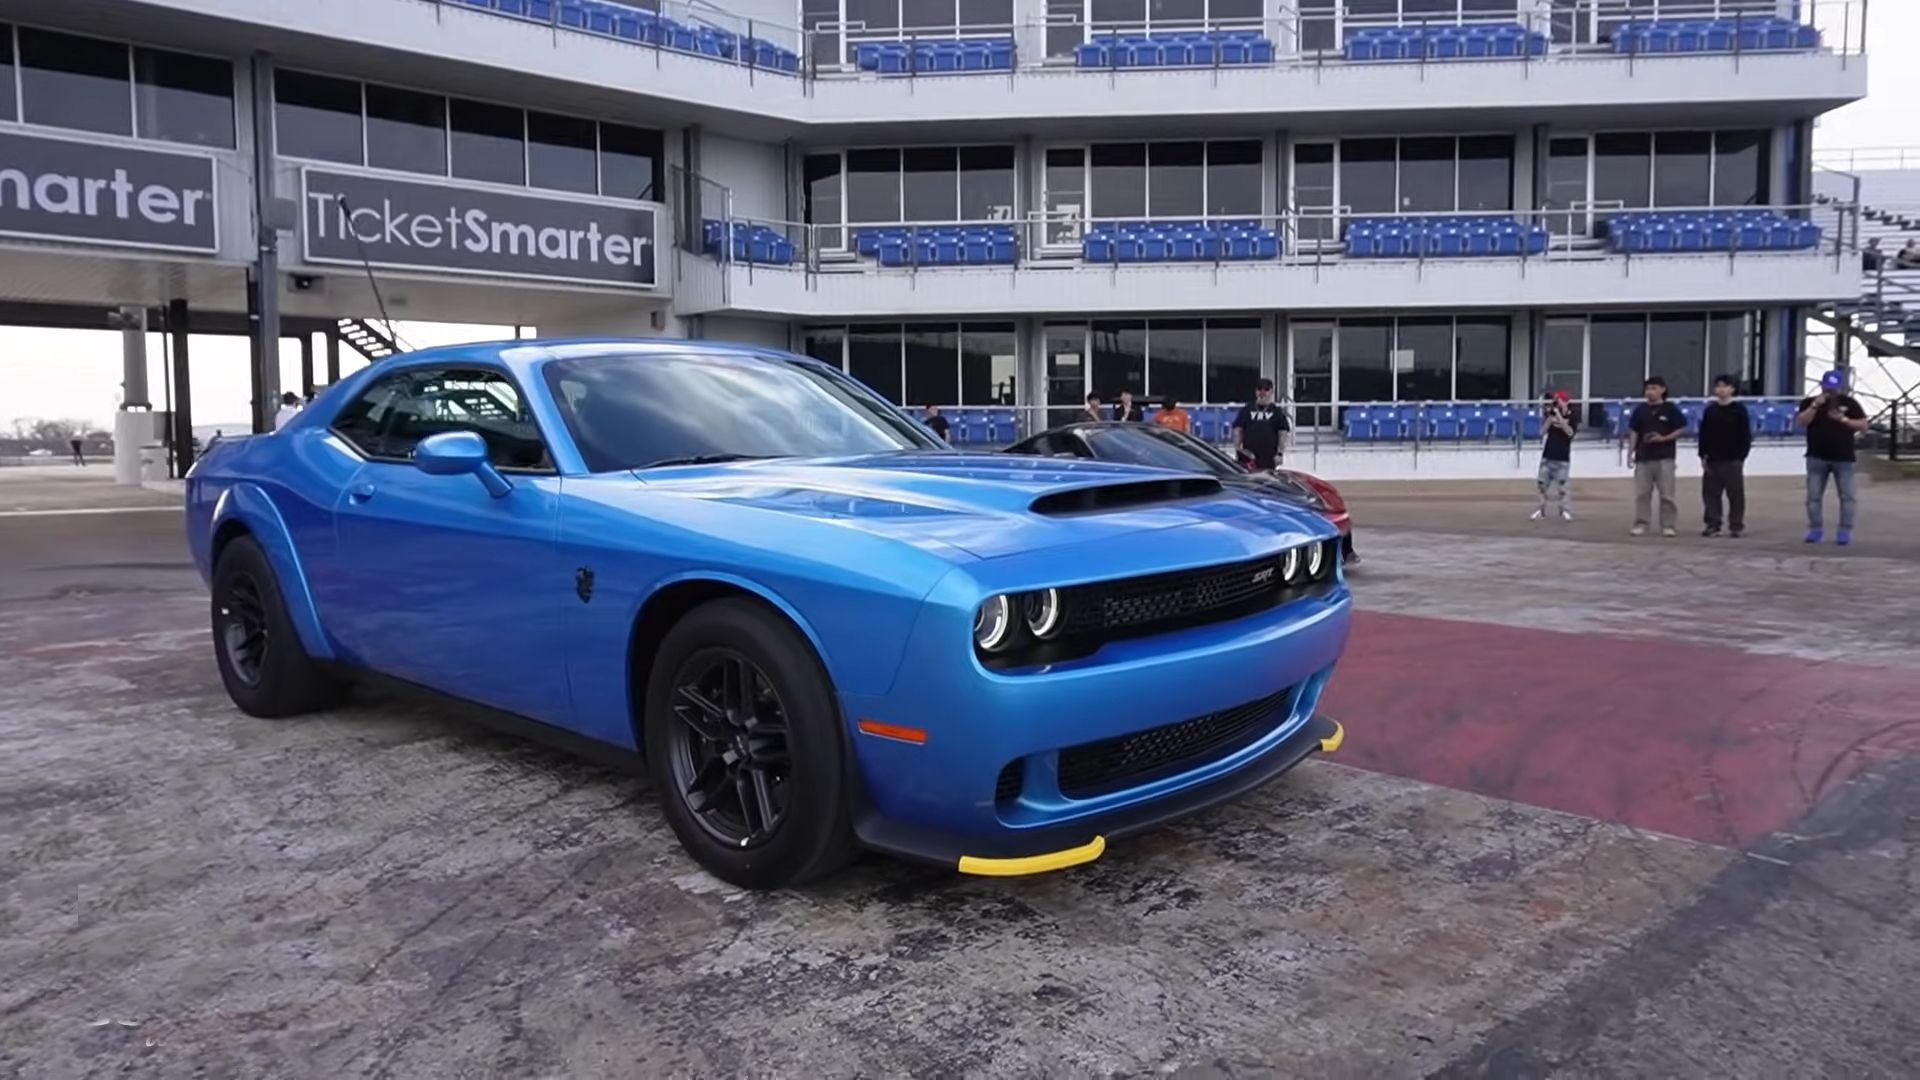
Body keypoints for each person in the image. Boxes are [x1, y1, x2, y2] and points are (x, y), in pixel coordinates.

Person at [1796, 368, 1870, 545]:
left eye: (1834, 388)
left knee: (1847, 496)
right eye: (1827, 387)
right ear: (1821, 385)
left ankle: (1844, 531)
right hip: (1816, 457)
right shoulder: (1809, 402)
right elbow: (1801, 422)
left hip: (1843, 457)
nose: (1830, 391)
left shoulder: (1850, 403)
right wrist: (1815, 406)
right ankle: (1815, 529)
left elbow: (1863, 425)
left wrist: (1843, 420)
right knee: (1813, 496)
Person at [1624, 375, 1687, 537]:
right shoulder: (1640, 410)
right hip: (1643, 458)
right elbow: (1634, 432)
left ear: (1662, 390)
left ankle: (1668, 525)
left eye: (1654, 388)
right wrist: (1630, 452)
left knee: (1667, 494)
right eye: (1648, 389)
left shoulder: (1670, 409)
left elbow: (1682, 429)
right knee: (1642, 494)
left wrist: (1664, 438)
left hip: (1664, 457)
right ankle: (1641, 523)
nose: (1650, 392)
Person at [1696, 374, 1752, 538]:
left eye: (1724, 386)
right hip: (1712, 459)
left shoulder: (1739, 410)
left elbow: (1745, 435)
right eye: (1718, 386)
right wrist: (1702, 455)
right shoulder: (1710, 410)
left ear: (1732, 389)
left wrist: (1741, 456)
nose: (1721, 389)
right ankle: (1713, 524)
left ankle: (1736, 525)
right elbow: (1704, 434)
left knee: (1735, 494)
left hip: (1732, 459)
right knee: (1710, 494)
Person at [1530, 390, 1575, 522]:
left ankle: (1565, 511)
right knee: (1541, 485)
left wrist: (1560, 418)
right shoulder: (1550, 414)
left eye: (1558, 400)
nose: (1557, 403)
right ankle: (1540, 510)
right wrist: (1550, 417)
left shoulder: (1572, 416)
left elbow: (1570, 433)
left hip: (1562, 457)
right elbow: (1541, 431)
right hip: (1548, 455)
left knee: (1563, 487)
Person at [1232, 378, 1289, 471]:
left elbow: (1283, 433)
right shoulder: (1247, 409)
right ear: (1255, 391)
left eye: (1266, 389)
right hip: (1249, 458)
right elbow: (1238, 429)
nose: (1262, 392)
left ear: (1271, 392)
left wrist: (1280, 453)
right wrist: (1238, 450)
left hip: (1269, 459)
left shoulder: (1276, 411)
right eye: (1259, 389)